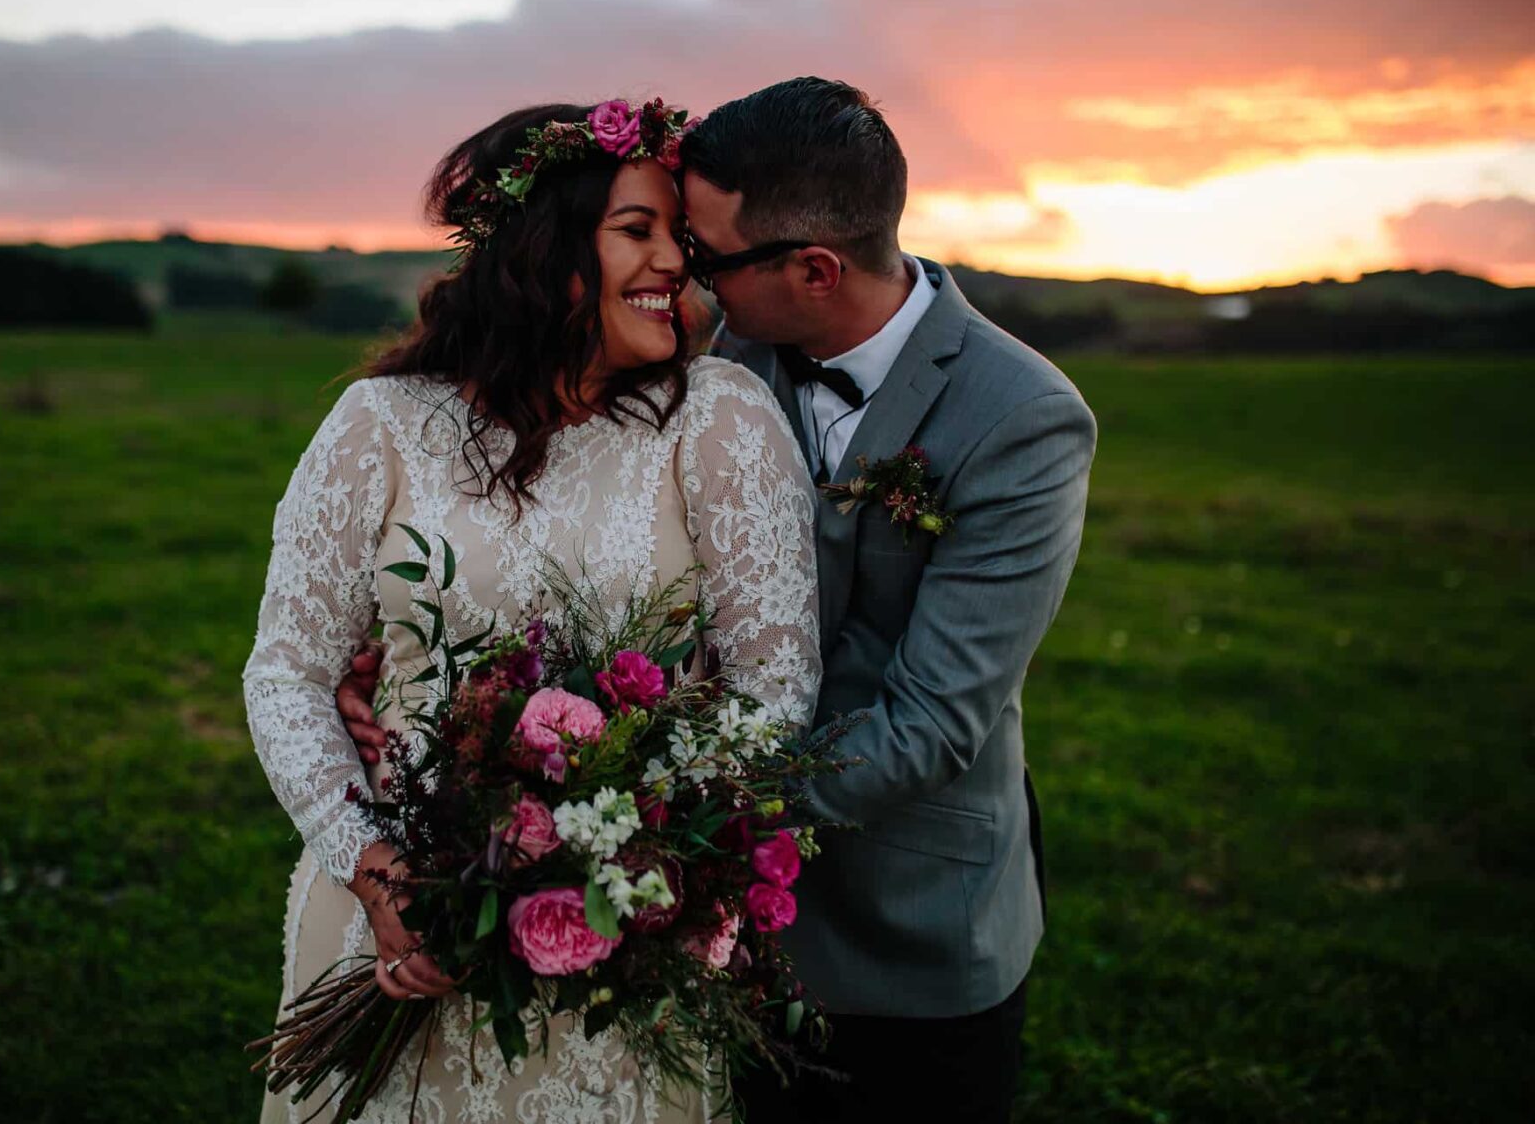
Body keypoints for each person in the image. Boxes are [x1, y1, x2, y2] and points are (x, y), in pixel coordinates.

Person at [340, 76, 1097, 1124]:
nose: (683, 277)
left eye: (707, 256)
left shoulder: (1023, 419)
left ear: (815, 269)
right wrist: (423, 655)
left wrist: (638, 816)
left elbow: (931, 726)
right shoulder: (725, 360)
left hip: (905, 924)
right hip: (694, 928)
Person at [242, 98, 822, 1123]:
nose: (671, 266)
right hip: (386, 921)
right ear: (545, 246)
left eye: (677, 241)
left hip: (624, 937)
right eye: (635, 231)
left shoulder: (721, 419)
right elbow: (287, 671)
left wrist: (627, 844)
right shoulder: (380, 423)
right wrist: (378, 874)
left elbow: (774, 691)